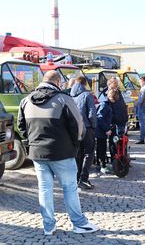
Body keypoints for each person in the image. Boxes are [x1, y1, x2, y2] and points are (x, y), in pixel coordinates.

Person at [17, 70, 99, 235]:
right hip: (62, 152)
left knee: (45, 189)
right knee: (69, 188)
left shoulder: (25, 101)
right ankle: (79, 223)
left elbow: (21, 127)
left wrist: (32, 143)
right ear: (58, 83)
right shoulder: (63, 99)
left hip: (38, 153)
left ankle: (48, 225)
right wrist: (75, 145)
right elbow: (78, 126)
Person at [70, 76, 97, 189]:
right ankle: (84, 178)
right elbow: (92, 114)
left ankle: (77, 179)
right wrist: (94, 126)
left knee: (78, 154)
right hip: (87, 128)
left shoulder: (70, 96)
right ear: (85, 84)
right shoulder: (87, 95)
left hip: (74, 129)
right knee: (89, 153)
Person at [95, 89, 119, 174]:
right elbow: (100, 118)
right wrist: (106, 129)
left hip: (102, 129)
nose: (114, 101)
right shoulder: (104, 105)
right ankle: (103, 166)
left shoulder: (106, 103)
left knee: (101, 147)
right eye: (113, 99)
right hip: (101, 130)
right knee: (102, 148)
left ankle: (101, 164)